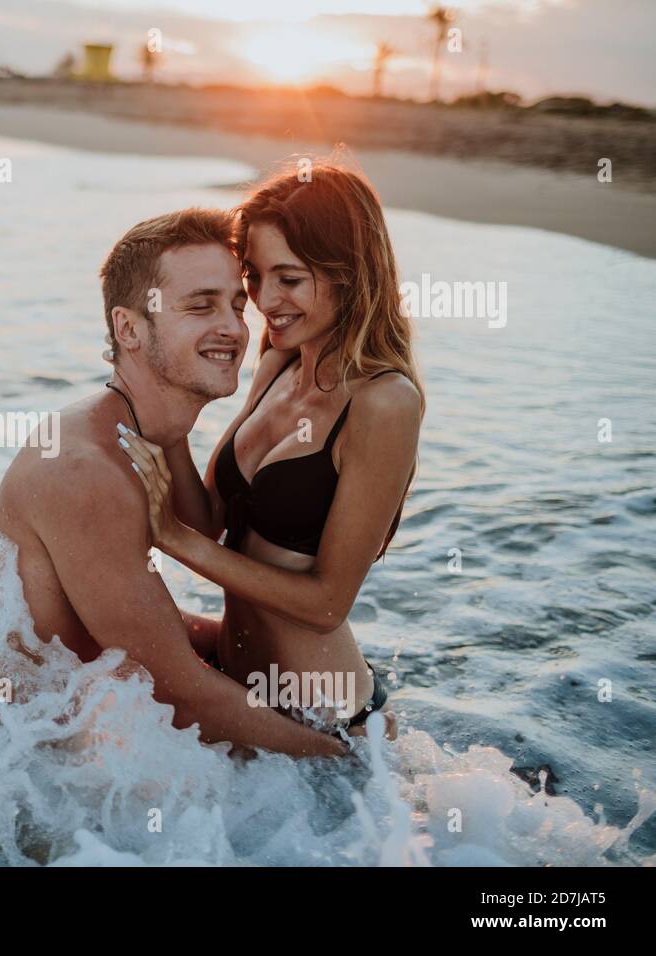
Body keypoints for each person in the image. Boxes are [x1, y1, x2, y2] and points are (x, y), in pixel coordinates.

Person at [0, 208, 346, 757]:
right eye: (200, 306)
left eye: (236, 305)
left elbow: (139, 611)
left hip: (37, 737)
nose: (232, 327)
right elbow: (183, 697)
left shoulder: (145, 430)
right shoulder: (86, 472)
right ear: (128, 328)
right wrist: (358, 767)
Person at [117, 162, 422, 733]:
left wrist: (173, 540)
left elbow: (327, 603)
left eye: (289, 278)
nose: (263, 300)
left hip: (328, 729)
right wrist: (177, 414)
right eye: (255, 276)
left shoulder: (384, 403)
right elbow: (210, 521)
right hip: (240, 689)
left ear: (350, 273)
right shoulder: (280, 358)